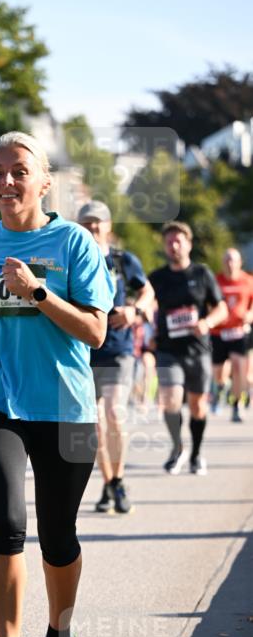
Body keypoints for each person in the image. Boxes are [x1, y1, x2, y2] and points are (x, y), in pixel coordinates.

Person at [0, 131, 113, 637]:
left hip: (65, 407)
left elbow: (96, 331)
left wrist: (39, 292)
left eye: (19, 171)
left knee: (59, 533)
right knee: (6, 521)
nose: (6, 182)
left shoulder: (73, 242)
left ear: (45, 182)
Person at [77, 201, 154, 514]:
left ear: (109, 226)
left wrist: (135, 310)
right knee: (93, 423)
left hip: (119, 348)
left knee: (113, 412)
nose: (93, 227)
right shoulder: (72, 259)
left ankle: (119, 479)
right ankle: (109, 482)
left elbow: (147, 291)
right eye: (87, 223)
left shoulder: (122, 260)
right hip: (84, 350)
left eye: (98, 222)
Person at [148, 222, 228, 476]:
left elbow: (221, 308)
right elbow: (146, 303)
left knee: (197, 406)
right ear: (165, 246)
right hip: (168, 350)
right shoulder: (157, 278)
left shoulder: (202, 273)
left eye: (178, 241)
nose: (173, 246)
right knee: (170, 400)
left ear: (188, 245)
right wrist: (148, 327)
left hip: (198, 350)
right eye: (169, 242)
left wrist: (207, 322)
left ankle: (196, 454)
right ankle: (178, 447)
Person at [214, 248, 253, 422]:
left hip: (239, 332)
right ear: (223, 263)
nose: (230, 264)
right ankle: (222, 386)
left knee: (239, 367)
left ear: (240, 263)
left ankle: (237, 405)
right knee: (219, 374)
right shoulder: (216, 281)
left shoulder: (248, 281)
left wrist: (250, 315)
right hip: (218, 332)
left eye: (233, 260)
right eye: (227, 260)